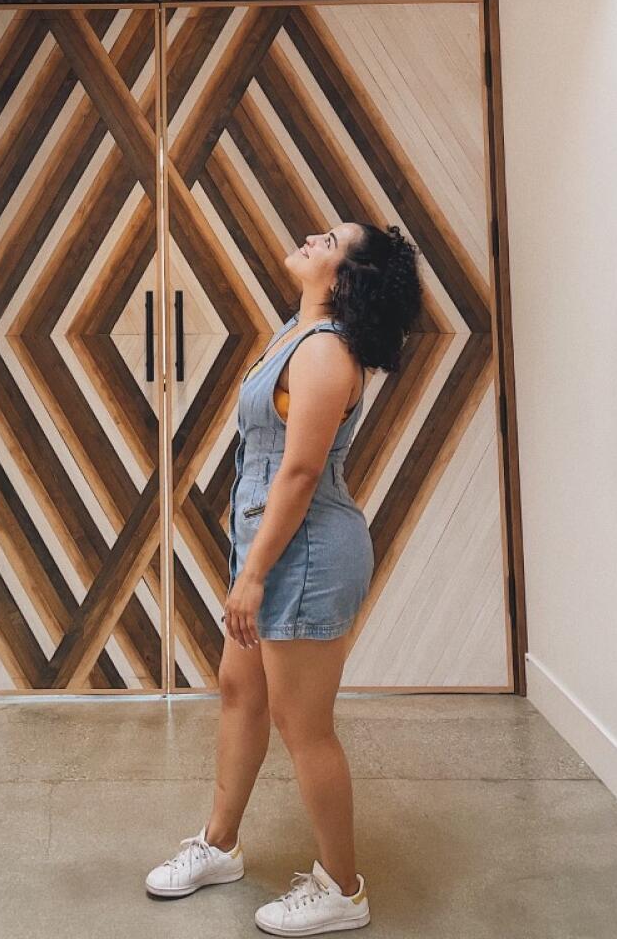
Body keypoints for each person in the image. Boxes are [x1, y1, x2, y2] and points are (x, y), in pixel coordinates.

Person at [144, 220, 422, 934]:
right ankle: (221, 843)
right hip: (270, 549)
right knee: (240, 691)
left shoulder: (327, 355)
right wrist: (251, 564)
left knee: (304, 726)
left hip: (304, 557)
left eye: (328, 240)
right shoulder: (295, 335)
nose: (311, 237)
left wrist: (255, 573)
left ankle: (343, 888)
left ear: (347, 278)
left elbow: (298, 475)